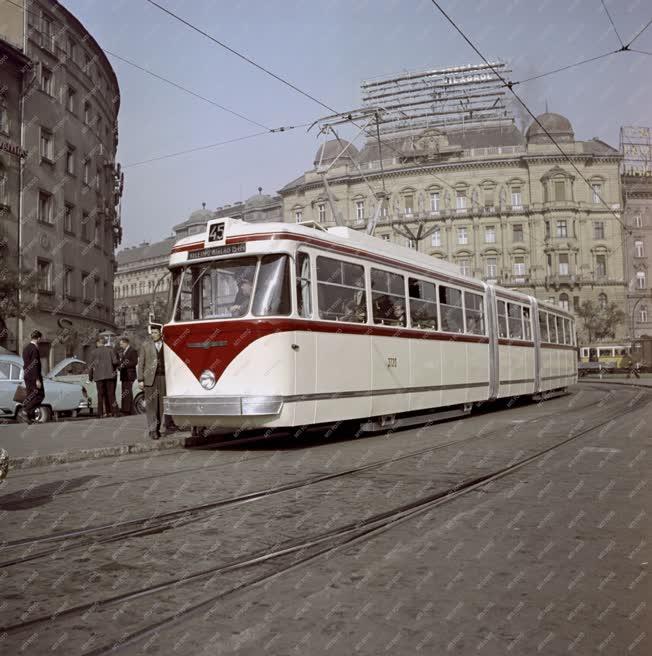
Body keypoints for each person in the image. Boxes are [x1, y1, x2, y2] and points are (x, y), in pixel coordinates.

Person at [137, 326, 175, 439]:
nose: (153, 334)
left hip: (163, 378)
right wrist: (140, 380)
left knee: (162, 406)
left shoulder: (167, 345)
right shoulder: (145, 345)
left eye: (155, 332)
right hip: (150, 379)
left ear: (160, 333)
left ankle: (158, 428)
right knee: (151, 406)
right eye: (152, 332)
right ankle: (152, 430)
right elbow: (141, 364)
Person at [88, 337, 119, 418]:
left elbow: (90, 366)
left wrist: (90, 377)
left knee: (100, 395)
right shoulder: (110, 350)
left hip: (99, 377)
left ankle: (100, 413)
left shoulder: (93, 352)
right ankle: (115, 412)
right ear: (104, 343)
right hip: (110, 376)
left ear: (98, 343)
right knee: (111, 395)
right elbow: (115, 362)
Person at [20, 329, 44, 424]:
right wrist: (37, 379)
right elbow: (35, 364)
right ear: (38, 338)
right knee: (40, 395)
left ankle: (30, 418)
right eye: (40, 339)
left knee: (30, 396)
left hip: (27, 375)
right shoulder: (34, 349)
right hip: (34, 376)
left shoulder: (26, 348)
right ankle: (26, 411)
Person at [117, 337, 138, 415]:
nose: (120, 345)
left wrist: (124, 365)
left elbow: (134, 362)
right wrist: (120, 366)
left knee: (128, 392)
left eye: (121, 344)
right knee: (124, 392)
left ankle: (129, 410)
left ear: (126, 343)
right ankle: (125, 409)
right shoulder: (123, 351)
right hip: (124, 375)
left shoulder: (132, 351)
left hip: (129, 375)